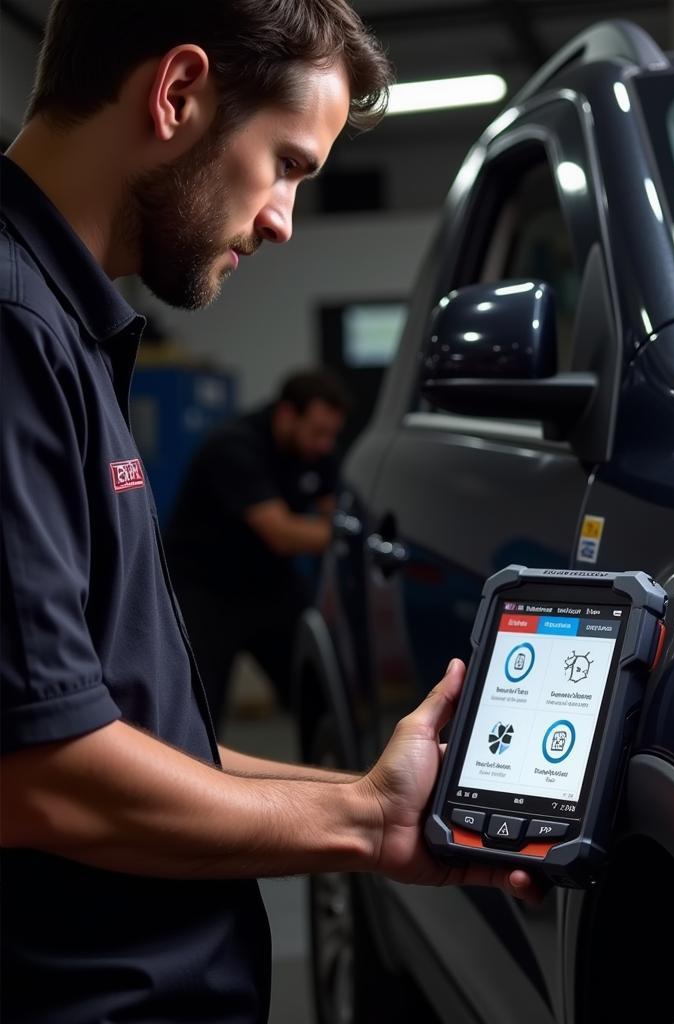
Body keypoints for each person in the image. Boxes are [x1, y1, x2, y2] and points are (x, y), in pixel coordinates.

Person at [0, 3, 536, 1023]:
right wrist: (363, 824)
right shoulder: (13, 327)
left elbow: (125, 731)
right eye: (286, 163)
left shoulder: (62, 326)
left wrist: (366, 795)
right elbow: (38, 776)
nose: (285, 218)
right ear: (177, 94)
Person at [166, 369, 349, 726]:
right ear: (286, 415)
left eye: (331, 435)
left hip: (269, 584)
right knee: (198, 712)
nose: (325, 444)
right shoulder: (233, 447)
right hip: (206, 589)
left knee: (318, 691)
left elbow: (333, 515)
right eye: (318, 432)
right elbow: (282, 534)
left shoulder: (317, 451)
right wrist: (346, 535)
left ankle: (329, 769)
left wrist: (335, 530)